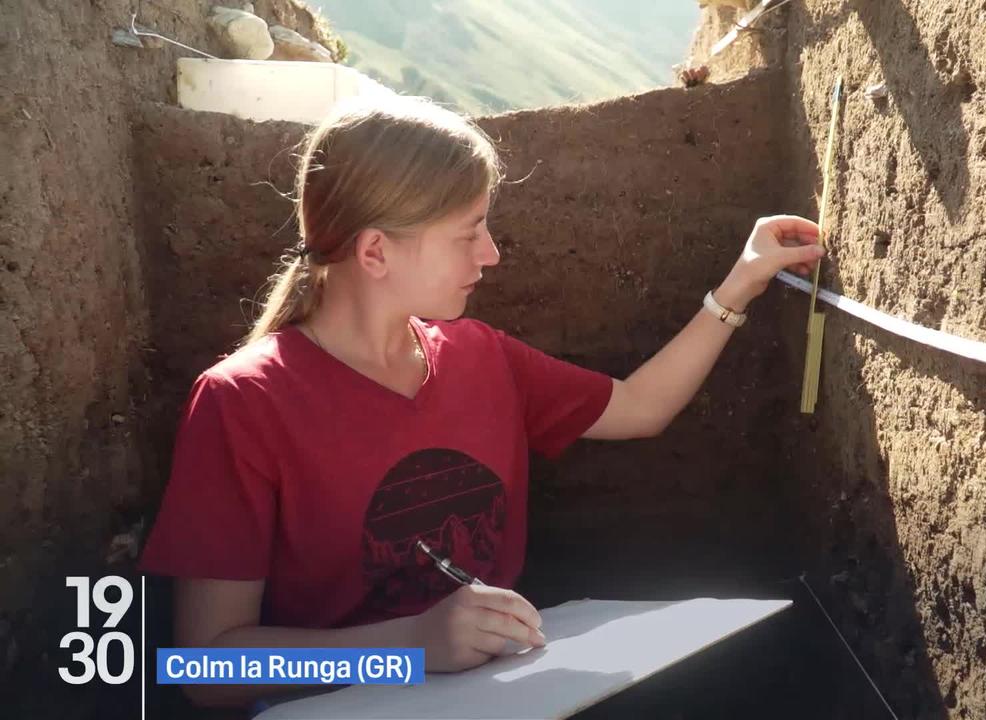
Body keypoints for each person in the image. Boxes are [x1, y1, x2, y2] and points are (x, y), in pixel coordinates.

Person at [138, 95, 824, 709]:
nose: (491, 254)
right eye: (468, 234)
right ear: (375, 251)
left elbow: (640, 407)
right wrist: (409, 646)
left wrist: (742, 282)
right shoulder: (244, 403)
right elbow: (207, 667)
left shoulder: (482, 356)